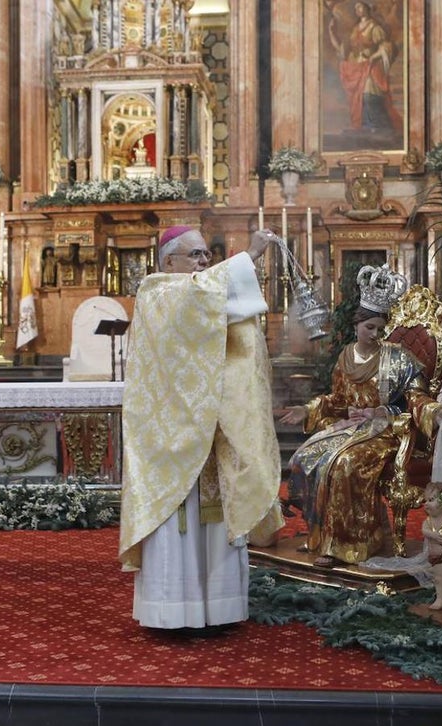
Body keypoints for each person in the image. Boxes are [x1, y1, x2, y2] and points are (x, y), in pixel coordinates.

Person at [118, 225, 283, 633]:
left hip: (211, 426)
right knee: (182, 521)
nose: (204, 262)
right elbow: (203, 297)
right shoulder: (157, 292)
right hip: (170, 436)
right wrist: (251, 256)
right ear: (168, 260)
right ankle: (171, 610)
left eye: (207, 255)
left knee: (216, 517)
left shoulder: (198, 292)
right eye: (195, 255)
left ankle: (220, 608)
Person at [279, 266, 442, 568]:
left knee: (345, 464)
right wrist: (308, 410)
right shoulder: (345, 356)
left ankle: (347, 545)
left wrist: (435, 412)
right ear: (357, 325)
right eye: (370, 328)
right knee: (304, 457)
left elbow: (416, 397)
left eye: (381, 328)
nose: (376, 334)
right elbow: (336, 400)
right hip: (351, 427)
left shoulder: (398, 357)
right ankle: (320, 535)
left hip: (386, 431)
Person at [327, 1, 402, 134]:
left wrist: (373, 57)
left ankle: (377, 126)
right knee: (359, 97)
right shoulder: (356, 29)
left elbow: (386, 47)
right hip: (358, 66)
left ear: (367, 8)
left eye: (360, 6)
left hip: (371, 68)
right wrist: (331, 32)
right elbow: (343, 51)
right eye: (356, 7)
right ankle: (365, 127)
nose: (357, 9)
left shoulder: (374, 27)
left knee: (369, 93)